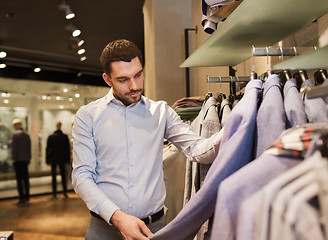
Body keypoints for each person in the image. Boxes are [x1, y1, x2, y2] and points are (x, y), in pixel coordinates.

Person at [72, 39, 223, 240]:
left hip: (155, 228)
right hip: (104, 230)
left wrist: (235, 125)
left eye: (138, 75)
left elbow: (197, 150)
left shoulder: (161, 112)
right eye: (123, 79)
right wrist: (117, 217)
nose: (134, 86)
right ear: (108, 79)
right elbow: (82, 176)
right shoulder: (88, 116)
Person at [46, 121, 71, 199]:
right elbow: (67, 149)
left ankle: (54, 193)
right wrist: (67, 159)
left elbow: (48, 149)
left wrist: (47, 159)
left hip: (53, 158)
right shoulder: (64, 137)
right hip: (62, 159)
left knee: (54, 176)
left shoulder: (51, 136)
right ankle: (64, 192)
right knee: (63, 176)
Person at [11, 118, 31, 206]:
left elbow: (14, 149)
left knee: (19, 180)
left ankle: (21, 198)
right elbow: (29, 148)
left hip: (18, 160)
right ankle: (27, 197)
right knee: (26, 179)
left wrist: (14, 159)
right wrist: (28, 157)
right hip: (25, 160)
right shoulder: (26, 135)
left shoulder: (15, 135)